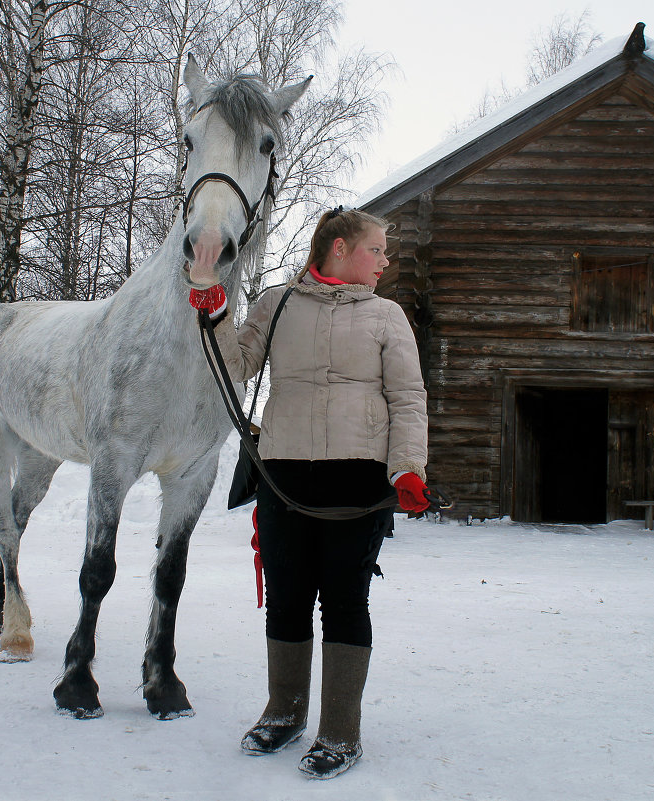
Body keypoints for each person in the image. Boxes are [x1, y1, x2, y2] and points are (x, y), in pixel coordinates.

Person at [190, 207, 430, 780]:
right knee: (288, 595)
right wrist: (211, 299)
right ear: (341, 249)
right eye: (378, 250)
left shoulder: (387, 316)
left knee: (344, 599)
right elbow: (235, 365)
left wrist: (408, 469)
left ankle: (340, 732)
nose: (386, 260)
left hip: (358, 478)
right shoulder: (277, 305)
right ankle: (285, 711)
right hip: (283, 473)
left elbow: (408, 397)